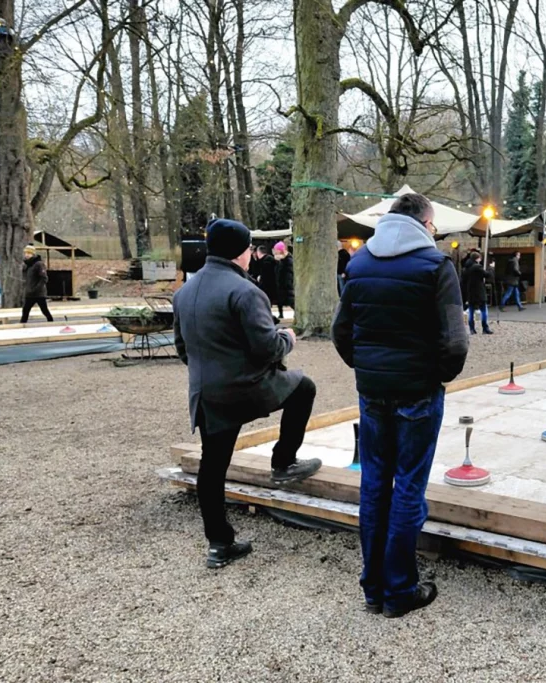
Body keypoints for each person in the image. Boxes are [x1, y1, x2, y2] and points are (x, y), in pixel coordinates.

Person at [331, 193, 469, 619]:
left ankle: (373, 589)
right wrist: (436, 376)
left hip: (372, 392)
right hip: (418, 393)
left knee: (374, 485)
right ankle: (399, 591)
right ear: (425, 223)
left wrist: (369, 367)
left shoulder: (358, 264)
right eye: (433, 227)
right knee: (408, 486)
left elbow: (341, 331)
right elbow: (455, 340)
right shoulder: (435, 266)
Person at [173, 218, 322, 569]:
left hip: (206, 393)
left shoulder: (184, 292)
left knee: (213, 466)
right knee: (304, 387)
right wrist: (288, 338)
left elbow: (183, 350)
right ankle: (283, 462)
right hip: (248, 388)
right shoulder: (245, 291)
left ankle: (218, 544)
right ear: (243, 253)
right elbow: (267, 347)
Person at [461, 252, 494, 335]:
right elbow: (487, 275)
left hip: (470, 292)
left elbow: (463, 281)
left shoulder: (465, 268)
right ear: (477, 258)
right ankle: (485, 328)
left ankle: (472, 329)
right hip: (479, 291)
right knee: (483, 310)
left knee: (471, 311)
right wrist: (491, 268)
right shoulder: (477, 267)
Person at [20, 245, 53, 324]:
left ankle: (51, 323)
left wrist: (36, 289)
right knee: (25, 310)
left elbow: (44, 278)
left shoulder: (39, 264)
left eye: (29, 253)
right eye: (26, 253)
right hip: (29, 293)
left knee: (44, 310)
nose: (27, 255)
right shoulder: (27, 265)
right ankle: (22, 325)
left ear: (33, 254)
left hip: (38, 293)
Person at [255, 245, 279, 317]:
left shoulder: (265, 261)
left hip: (267, 286)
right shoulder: (270, 259)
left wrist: (260, 280)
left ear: (258, 252)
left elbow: (265, 276)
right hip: (273, 285)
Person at [273, 241, 294, 321]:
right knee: (280, 300)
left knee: (290, 300)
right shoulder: (280, 260)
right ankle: (280, 313)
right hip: (281, 284)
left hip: (287, 284)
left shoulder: (288, 260)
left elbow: (289, 271)